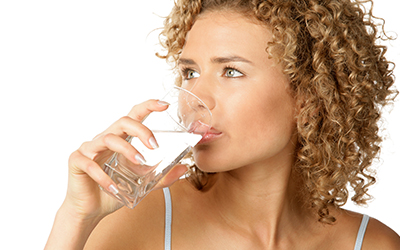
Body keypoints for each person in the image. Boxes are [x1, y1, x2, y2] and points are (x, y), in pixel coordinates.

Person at [45, 0, 400, 249]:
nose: (195, 95)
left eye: (231, 71)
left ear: (308, 98)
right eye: (190, 72)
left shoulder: (372, 244)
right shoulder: (141, 223)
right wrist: (75, 218)